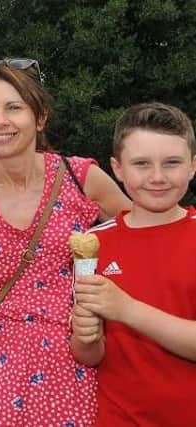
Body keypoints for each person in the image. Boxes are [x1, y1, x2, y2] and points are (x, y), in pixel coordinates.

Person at [0, 58, 131, 426]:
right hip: (0, 368)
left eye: (14, 107)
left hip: (77, 359)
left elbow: (136, 237)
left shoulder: (81, 178)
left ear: (40, 117)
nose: (0, 121)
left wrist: (107, 301)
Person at [71, 102, 196, 426]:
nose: (157, 177)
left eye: (172, 163)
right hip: (118, 418)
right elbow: (89, 354)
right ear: (118, 168)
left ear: (193, 166)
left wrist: (127, 310)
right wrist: (86, 338)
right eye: (141, 164)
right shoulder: (94, 244)